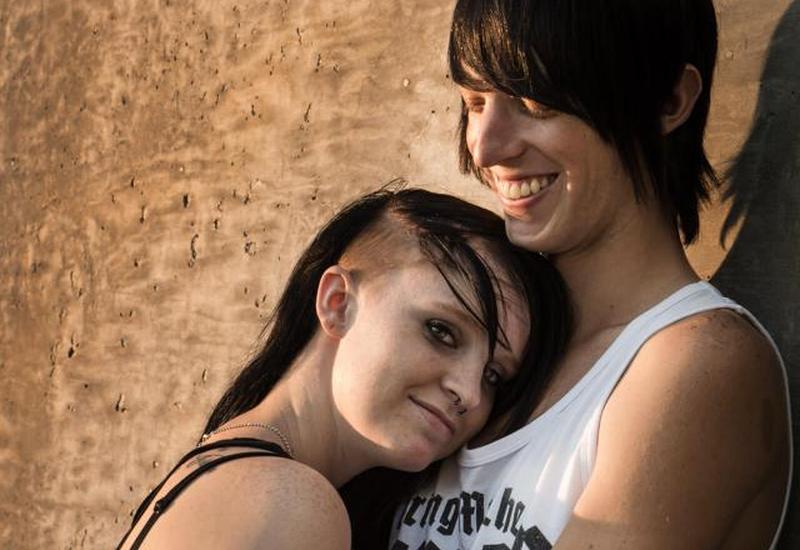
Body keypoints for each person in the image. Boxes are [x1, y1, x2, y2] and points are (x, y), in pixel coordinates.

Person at [391, 1, 793, 549]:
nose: (486, 147)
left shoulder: (701, 363)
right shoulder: (483, 348)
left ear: (669, 100)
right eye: (475, 101)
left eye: (534, 102)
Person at [115, 186, 571, 549]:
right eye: (441, 331)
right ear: (337, 303)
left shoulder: (232, 476)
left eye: (493, 375)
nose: (469, 394)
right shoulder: (288, 502)